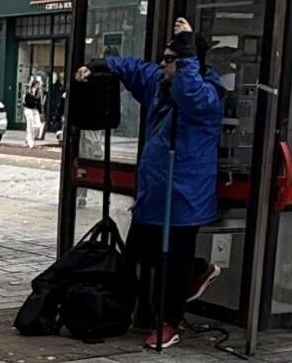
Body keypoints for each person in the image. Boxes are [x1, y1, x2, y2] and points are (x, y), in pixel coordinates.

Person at [75, 18, 225, 350]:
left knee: (172, 265)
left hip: (184, 197)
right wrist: (97, 66)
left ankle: (168, 323)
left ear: (189, 63)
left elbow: (190, 95)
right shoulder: (160, 83)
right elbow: (132, 68)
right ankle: (197, 271)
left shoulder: (207, 95)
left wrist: (186, 45)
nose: (162, 63)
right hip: (154, 194)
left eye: (170, 58)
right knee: (140, 254)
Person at [22, 78, 45, 149]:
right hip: (28, 110)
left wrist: (41, 112)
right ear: (32, 86)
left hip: (35, 110)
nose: (37, 87)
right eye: (35, 86)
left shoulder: (38, 94)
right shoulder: (28, 93)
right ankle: (30, 142)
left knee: (37, 126)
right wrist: (33, 95)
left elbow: (39, 104)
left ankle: (28, 139)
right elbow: (27, 102)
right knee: (30, 126)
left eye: (37, 86)